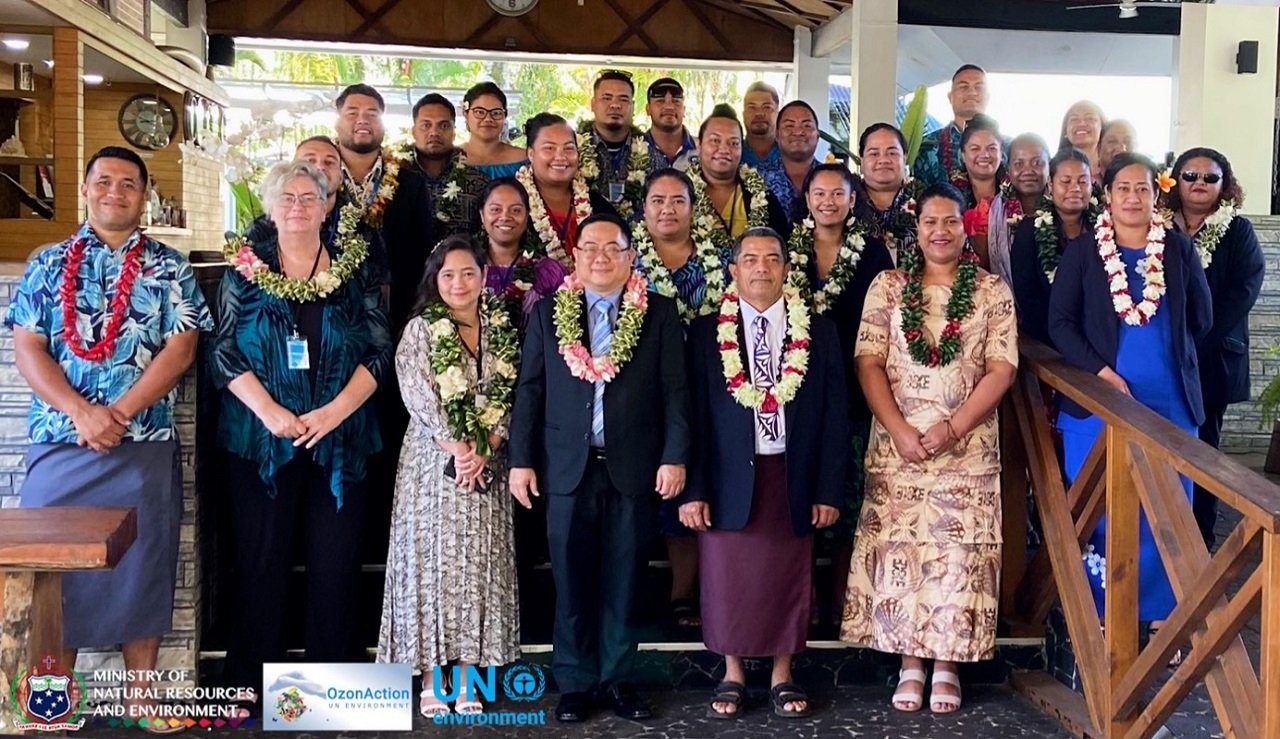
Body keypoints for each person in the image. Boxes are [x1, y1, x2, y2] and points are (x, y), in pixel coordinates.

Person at [6, 146, 211, 732]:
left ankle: (141, 701)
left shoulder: (170, 268)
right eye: (104, 181)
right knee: (52, 577)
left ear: (144, 195)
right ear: (85, 189)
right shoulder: (48, 264)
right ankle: (51, 703)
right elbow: (28, 347)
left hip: (141, 439)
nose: (115, 192)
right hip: (60, 442)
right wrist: (80, 413)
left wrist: (117, 413)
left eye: (128, 183)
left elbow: (182, 348)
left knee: (143, 567)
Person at [210, 161, 391, 700]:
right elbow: (222, 349)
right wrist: (269, 411)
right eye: (286, 197)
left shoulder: (354, 267)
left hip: (342, 440)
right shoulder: (244, 270)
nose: (297, 206)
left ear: (326, 206)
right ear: (269, 208)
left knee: (335, 567)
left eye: (309, 197)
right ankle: (250, 690)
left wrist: (335, 412)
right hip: (259, 440)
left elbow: (380, 349)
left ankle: (330, 695)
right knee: (261, 564)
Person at [842, 183, 1018, 714]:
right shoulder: (889, 286)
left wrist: (953, 428)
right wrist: (898, 429)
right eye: (930, 222)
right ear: (915, 230)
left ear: (966, 229)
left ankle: (947, 665)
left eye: (950, 222)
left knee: (956, 557)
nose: (940, 231)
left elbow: (1001, 368)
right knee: (903, 553)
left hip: (966, 450)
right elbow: (868, 362)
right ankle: (909, 664)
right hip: (899, 447)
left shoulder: (991, 291)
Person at [508, 212, 690, 723]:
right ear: (576, 256)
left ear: (631, 256)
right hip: (567, 468)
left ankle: (618, 679)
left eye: (613, 248)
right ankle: (574, 682)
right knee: (570, 580)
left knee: (625, 579)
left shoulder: (658, 312)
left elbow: (676, 392)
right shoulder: (549, 312)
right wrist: (521, 461)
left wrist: (674, 455)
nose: (601, 257)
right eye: (590, 247)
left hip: (633, 467)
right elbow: (530, 390)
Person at [681, 227, 848, 720]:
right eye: (750, 259)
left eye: (772, 259)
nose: (761, 268)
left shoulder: (819, 332)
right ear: (733, 271)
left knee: (786, 576)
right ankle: (732, 671)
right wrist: (694, 488)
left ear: (786, 270)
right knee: (727, 577)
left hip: (790, 473)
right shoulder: (707, 333)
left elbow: (834, 416)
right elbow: (691, 415)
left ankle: (782, 673)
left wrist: (827, 488)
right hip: (726, 476)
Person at [1048, 152, 1211, 639]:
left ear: (1156, 196)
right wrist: (1101, 373)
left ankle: (1164, 614)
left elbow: (1201, 318)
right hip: (1099, 403)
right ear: (1107, 196)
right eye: (1124, 188)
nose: (1134, 198)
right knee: (1101, 507)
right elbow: (1060, 322)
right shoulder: (1085, 251)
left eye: (1143, 189)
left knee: (1168, 510)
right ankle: (1103, 611)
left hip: (1170, 402)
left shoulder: (1177, 249)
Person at [377, 236, 521, 717]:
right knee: (432, 568)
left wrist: (487, 447)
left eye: (468, 273)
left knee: (477, 569)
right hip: (432, 467)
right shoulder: (421, 329)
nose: (459, 283)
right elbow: (417, 393)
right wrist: (459, 449)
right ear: (434, 280)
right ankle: (430, 677)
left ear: (484, 276)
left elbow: (513, 391)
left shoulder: (501, 327)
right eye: (448, 275)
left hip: (487, 466)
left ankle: (467, 676)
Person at [788, 163, 894, 626]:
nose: (828, 202)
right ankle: (802, 592)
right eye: (819, 193)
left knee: (849, 495)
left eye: (838, 194)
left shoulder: (872, 253)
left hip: (853, 385)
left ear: (853, 201)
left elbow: (886, 318)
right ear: (807, 199)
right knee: (800, 487)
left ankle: (842, 594)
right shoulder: (788, 247)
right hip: (795, 386)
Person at [632, 167, 729, 629]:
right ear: (644, 209)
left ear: (693, 208)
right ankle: (658, 590)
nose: (667, 209)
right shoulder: (628, 260)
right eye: (658, 201)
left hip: (711, 383)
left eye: (678, 201)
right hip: (645, 389)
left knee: (701, 479)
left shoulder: (721, 260)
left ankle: (697, 591)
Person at [1164, 147, 1264, 548]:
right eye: (1190, 176)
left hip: (1211, 356)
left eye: (1210, 177)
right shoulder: (1158, 225)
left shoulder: (1237, 230)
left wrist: (1198, 336)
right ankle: (1161, 533)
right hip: (1163, 356)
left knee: (1203, 448)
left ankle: (1199, 540)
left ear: (1225, 184)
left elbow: (1244, 289)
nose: (1199, 184)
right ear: (1175, 180)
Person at [1009, 147, 1094, 347]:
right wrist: (1068, 339)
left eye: (1083, 181)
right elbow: (1028, 298)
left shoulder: (1103, 229)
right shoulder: (1029, 231)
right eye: (1066, 181)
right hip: (1048, 339)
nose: (1075, 188)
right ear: (1050, 184)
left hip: (1097, 335)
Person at [515, 113, 616, 270]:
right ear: (531, 154)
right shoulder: (512, 201)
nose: (560, 156)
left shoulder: (597, 205)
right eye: (549, 148)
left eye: (569, 148)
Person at [689, 105, 792, 254]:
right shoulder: (680, 191)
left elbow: (781, 249)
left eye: (734, 143)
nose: (724, 150)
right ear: (699, 145)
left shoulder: (762, 196)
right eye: (715, 141)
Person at [477, 177, 567, 326]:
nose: (505, 217)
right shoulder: (466, 268)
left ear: (527, 216)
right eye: (496, 209)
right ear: (482, 215)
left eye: (516, 210)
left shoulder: (549, 273)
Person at [403, 93, 489, 237]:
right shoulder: (394, 179)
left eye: (443, 125)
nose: (434, 132)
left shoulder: (479, 183)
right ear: (413, 132)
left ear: (454, 133)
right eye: (426, 125)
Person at [579, 69, 648, 218]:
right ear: (593, 104)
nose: (615, 105)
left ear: (633, 106)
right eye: (607, 98)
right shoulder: (573, 150)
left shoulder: (649, 150)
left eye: (623, 99)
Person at [853, 122, 922, 265]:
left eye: (892, 153)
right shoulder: (846, 199)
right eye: (874, 154)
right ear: (862, 160)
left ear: (904, 158)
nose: (883, 160)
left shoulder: (926, 200)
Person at [913, 65, 990, 185]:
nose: (972, 92)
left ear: (988, 97)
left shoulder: (1008, 147)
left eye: (979, 87)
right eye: (964, 87)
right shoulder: (925, 146)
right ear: (950, 97)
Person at [989, 133, 1050, 283]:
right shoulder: (996, 210)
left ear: (1050, 166)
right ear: (1008, 169)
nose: (1028, 171)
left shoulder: (1065, 205)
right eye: (1018, 164)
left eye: (1037, 163)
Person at [952, 114, 1003, 270]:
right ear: (963, 155)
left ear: (1001, 153)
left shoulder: (1015, 192)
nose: (985, 155)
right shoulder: (949, 197)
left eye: (992, 148)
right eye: (975, 149)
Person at [459, 82, 528, 179]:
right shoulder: (447, 159)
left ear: (505, 116)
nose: (488, 119)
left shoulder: (524, 160)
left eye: (496, 113)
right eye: (480, 112)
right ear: (465, 114)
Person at [771, 101, 821, 219]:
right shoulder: (757, 178)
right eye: (789, 126)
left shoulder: (834, 180)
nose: (798, 132)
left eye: (807, 126)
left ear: (818, 136)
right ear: (777, 135)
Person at [644, 77, 697, 172]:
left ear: (684, 110)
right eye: (660, 101)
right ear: (648, 109)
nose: (669, 107)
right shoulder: (632, 151)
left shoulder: (703, 150)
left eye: (676, 101)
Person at [741, 81, 781, 170]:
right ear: (743, 114)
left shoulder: (789, 154)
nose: (759, 113)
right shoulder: (732, 154)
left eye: (767, 107)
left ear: (778, 113)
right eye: (752, 107)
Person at [1059, 100, 1106, 175]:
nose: (1081, 124)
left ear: (1102, 128)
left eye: (1090, 118)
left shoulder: (1115, 169)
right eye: (1074, 119)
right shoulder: (1052, 170)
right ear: (1065, 131)